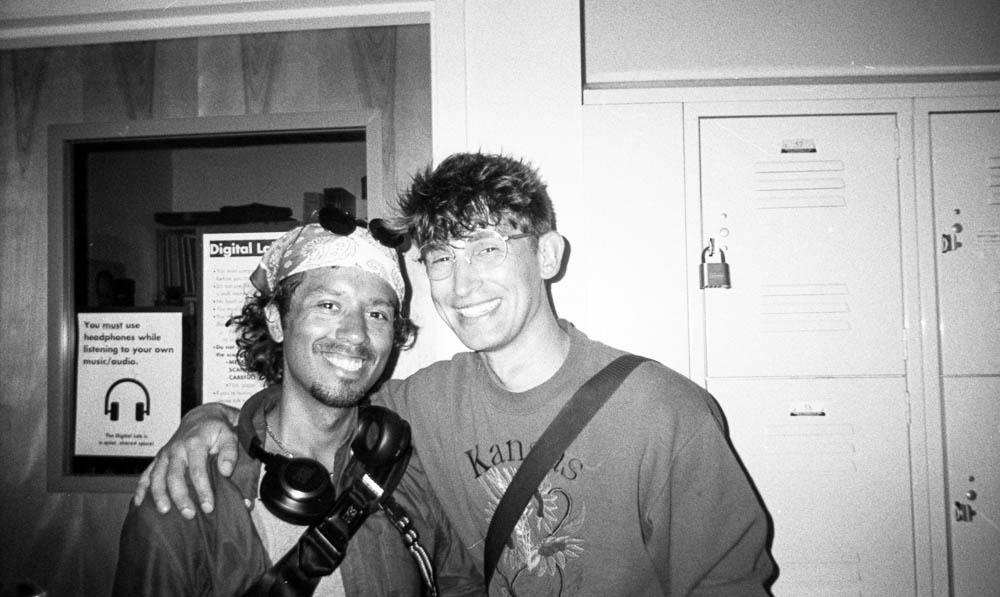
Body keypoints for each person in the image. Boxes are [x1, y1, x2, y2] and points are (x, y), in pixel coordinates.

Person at [135, 152, 777, 595]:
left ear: (548, 255)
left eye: (488, 249)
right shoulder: (424, 404)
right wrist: (208, 420)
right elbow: (323, 395)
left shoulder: (664, 411)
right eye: (441, 258)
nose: (462, 285)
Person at [114, 220, 483, 595]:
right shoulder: (186, 494)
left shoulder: (412, 475)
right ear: (277, 321)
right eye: (328, 305)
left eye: (377, 314)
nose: (356, 333)